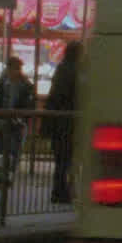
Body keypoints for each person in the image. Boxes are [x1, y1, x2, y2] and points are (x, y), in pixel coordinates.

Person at [42, 40, 82, 205]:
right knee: (65, 160)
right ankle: (61, 191)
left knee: (61, 160)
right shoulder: (75, 71)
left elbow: (54, 97)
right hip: (68, 123)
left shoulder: (62, 69)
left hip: (59, 122)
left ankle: (59, 190)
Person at [0, 56, 35, 187]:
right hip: (4, 122)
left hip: (17, 123)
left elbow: (30, 104)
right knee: (4, 150)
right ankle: (4, 176)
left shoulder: (25, 85)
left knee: (14, 150)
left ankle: (7, 176)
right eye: (13, 68)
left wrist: (22, 118)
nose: (15, 71)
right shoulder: (1, 84)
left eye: (17, 68)